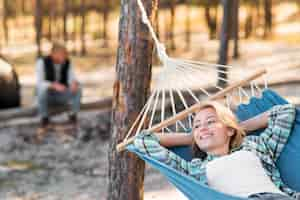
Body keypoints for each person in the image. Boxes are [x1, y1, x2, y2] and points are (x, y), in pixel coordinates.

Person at [133, 101, 299, 200]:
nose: (202, 128)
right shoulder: (195, 170)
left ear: (229, 129)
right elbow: (143, 141)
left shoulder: (255, 146)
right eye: (197, 125)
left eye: (210, 122)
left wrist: (239, 127)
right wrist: (191, 137)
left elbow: (285, 112)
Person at [36, 42, 82, 130]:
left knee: (79, 89)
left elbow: (72, 77)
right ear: (53, 54)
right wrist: (53, 85)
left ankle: (72, 115)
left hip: (61, 95)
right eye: (62, 54)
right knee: (41, 90)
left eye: (65, 54)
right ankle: (44, 118)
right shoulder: (41, 62)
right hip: (47, 96)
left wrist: (74, 83)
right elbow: (39, 83)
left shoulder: (67, 63)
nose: (65, 56)